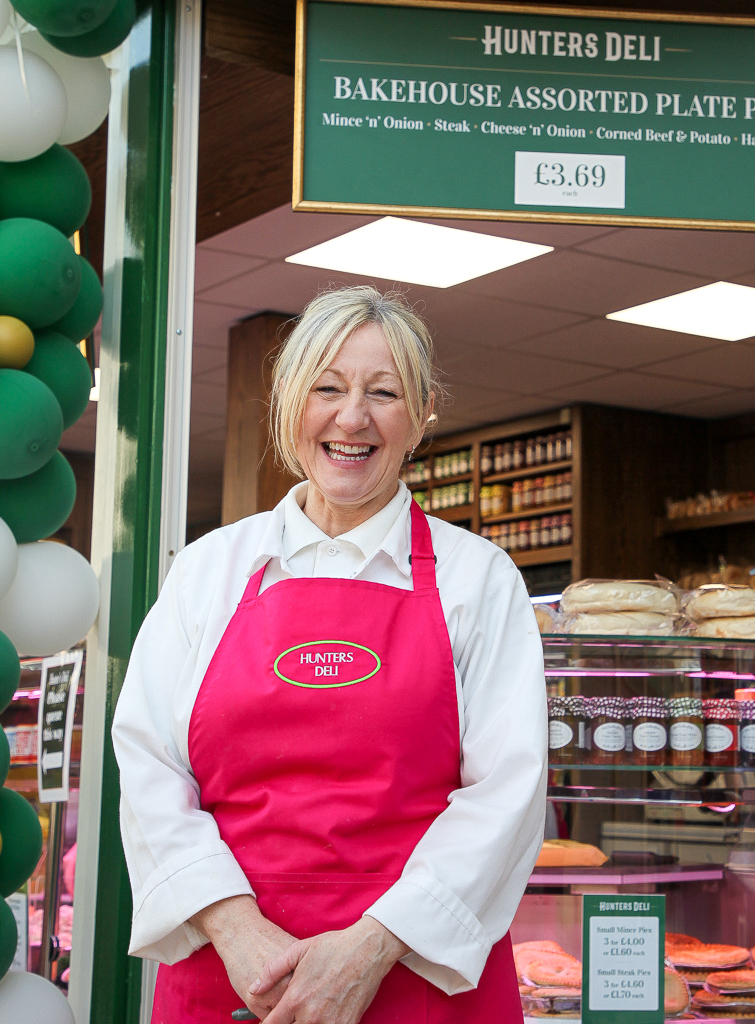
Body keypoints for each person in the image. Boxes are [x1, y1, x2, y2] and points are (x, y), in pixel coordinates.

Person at [112, 285, 548, 1023]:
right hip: (236, 976)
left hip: (417, 975)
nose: (353, 418)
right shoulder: (209, 570)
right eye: (328, 388)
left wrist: (371, 948)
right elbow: (150, 763)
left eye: (384, 392)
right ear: (291, 405)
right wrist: (238, 930)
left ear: (420, 416)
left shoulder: (479, 578)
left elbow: (508, 792)